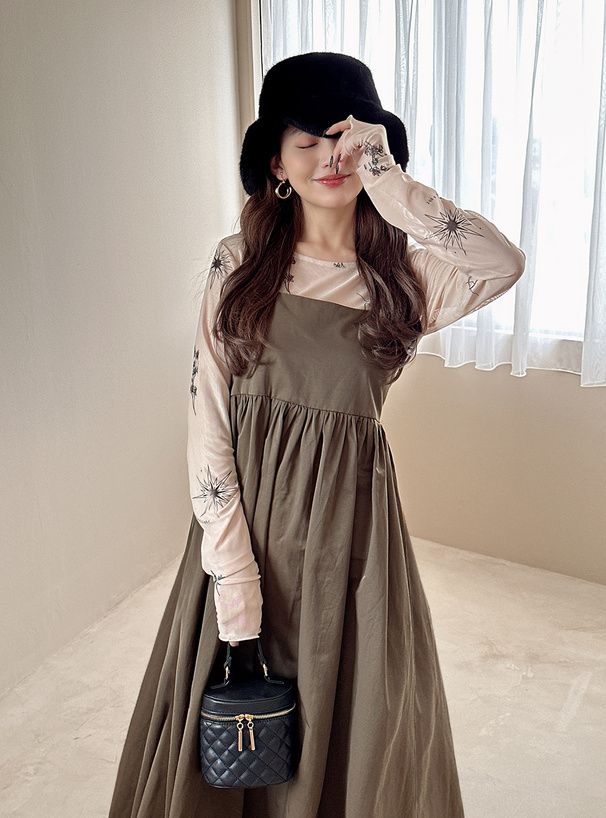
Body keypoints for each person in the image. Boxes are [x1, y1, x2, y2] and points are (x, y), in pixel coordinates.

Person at [108, 52, 525, 817]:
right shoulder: (239, 264)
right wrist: (234, 576)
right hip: (247, 528)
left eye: (348, 138)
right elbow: (208, 420)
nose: (331, 156)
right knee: (237, 716)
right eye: (308, 140)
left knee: (354, 715)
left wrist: (387, 179)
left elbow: (501, 263)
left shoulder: (405, 279)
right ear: (276, 163)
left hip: (351, 535)